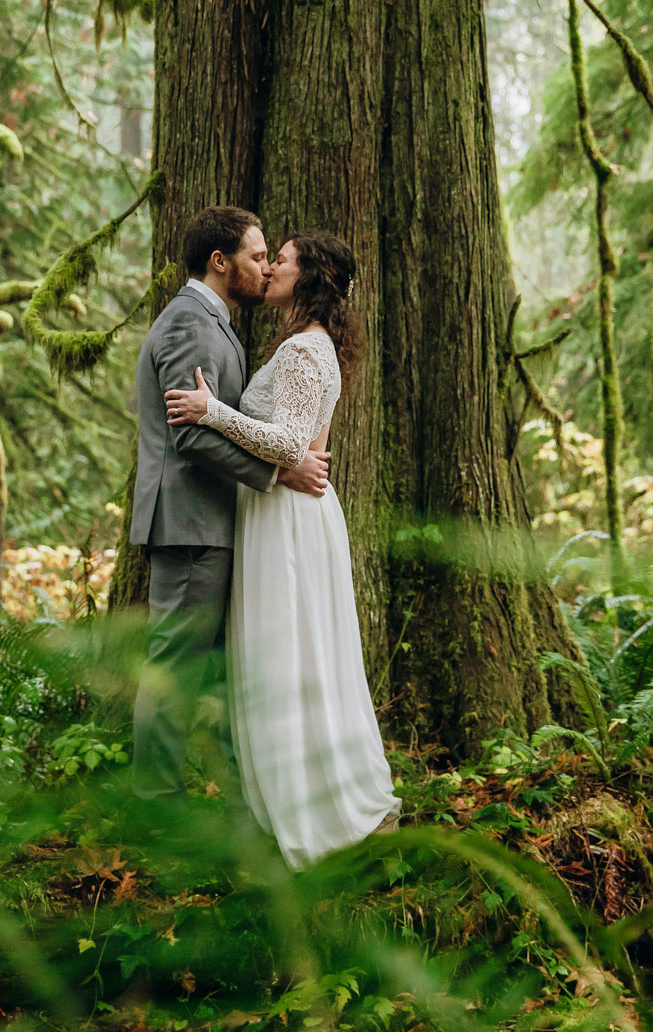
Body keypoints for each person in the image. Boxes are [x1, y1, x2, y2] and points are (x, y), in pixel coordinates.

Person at [164, 230, 401, 866]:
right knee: (300, 653)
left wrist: (212, 410)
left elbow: (292, 446)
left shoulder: (303, 349)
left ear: (311, 278)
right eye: (268, 258)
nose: (270, 269)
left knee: (292, 655)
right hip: (284, 512)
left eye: (284, 260)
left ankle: (315, 812)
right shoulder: (307, 345)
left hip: (286, 517)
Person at [129, 206, 330, 802]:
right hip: (190, 522)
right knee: (174, 670)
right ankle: (156, 808)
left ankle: (239, 797)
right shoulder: (190, 323)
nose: (265, 268)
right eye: (256, 256)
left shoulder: (214, 321)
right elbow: (188, 434)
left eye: (271, 257)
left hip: (210, 521)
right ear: (221, 262)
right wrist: (278, 471)